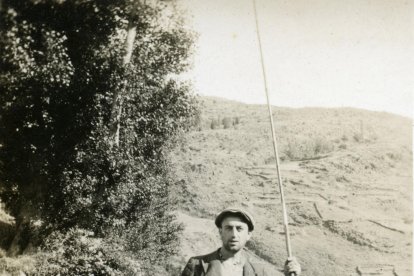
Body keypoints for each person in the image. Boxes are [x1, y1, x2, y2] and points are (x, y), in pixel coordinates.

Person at [181, 208, 301, 276]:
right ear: (220, 232)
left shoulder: (262, 271)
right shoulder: (197, 264)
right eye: (228, 228)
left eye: (239, 229)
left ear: (248, 234)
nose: (234, 234)